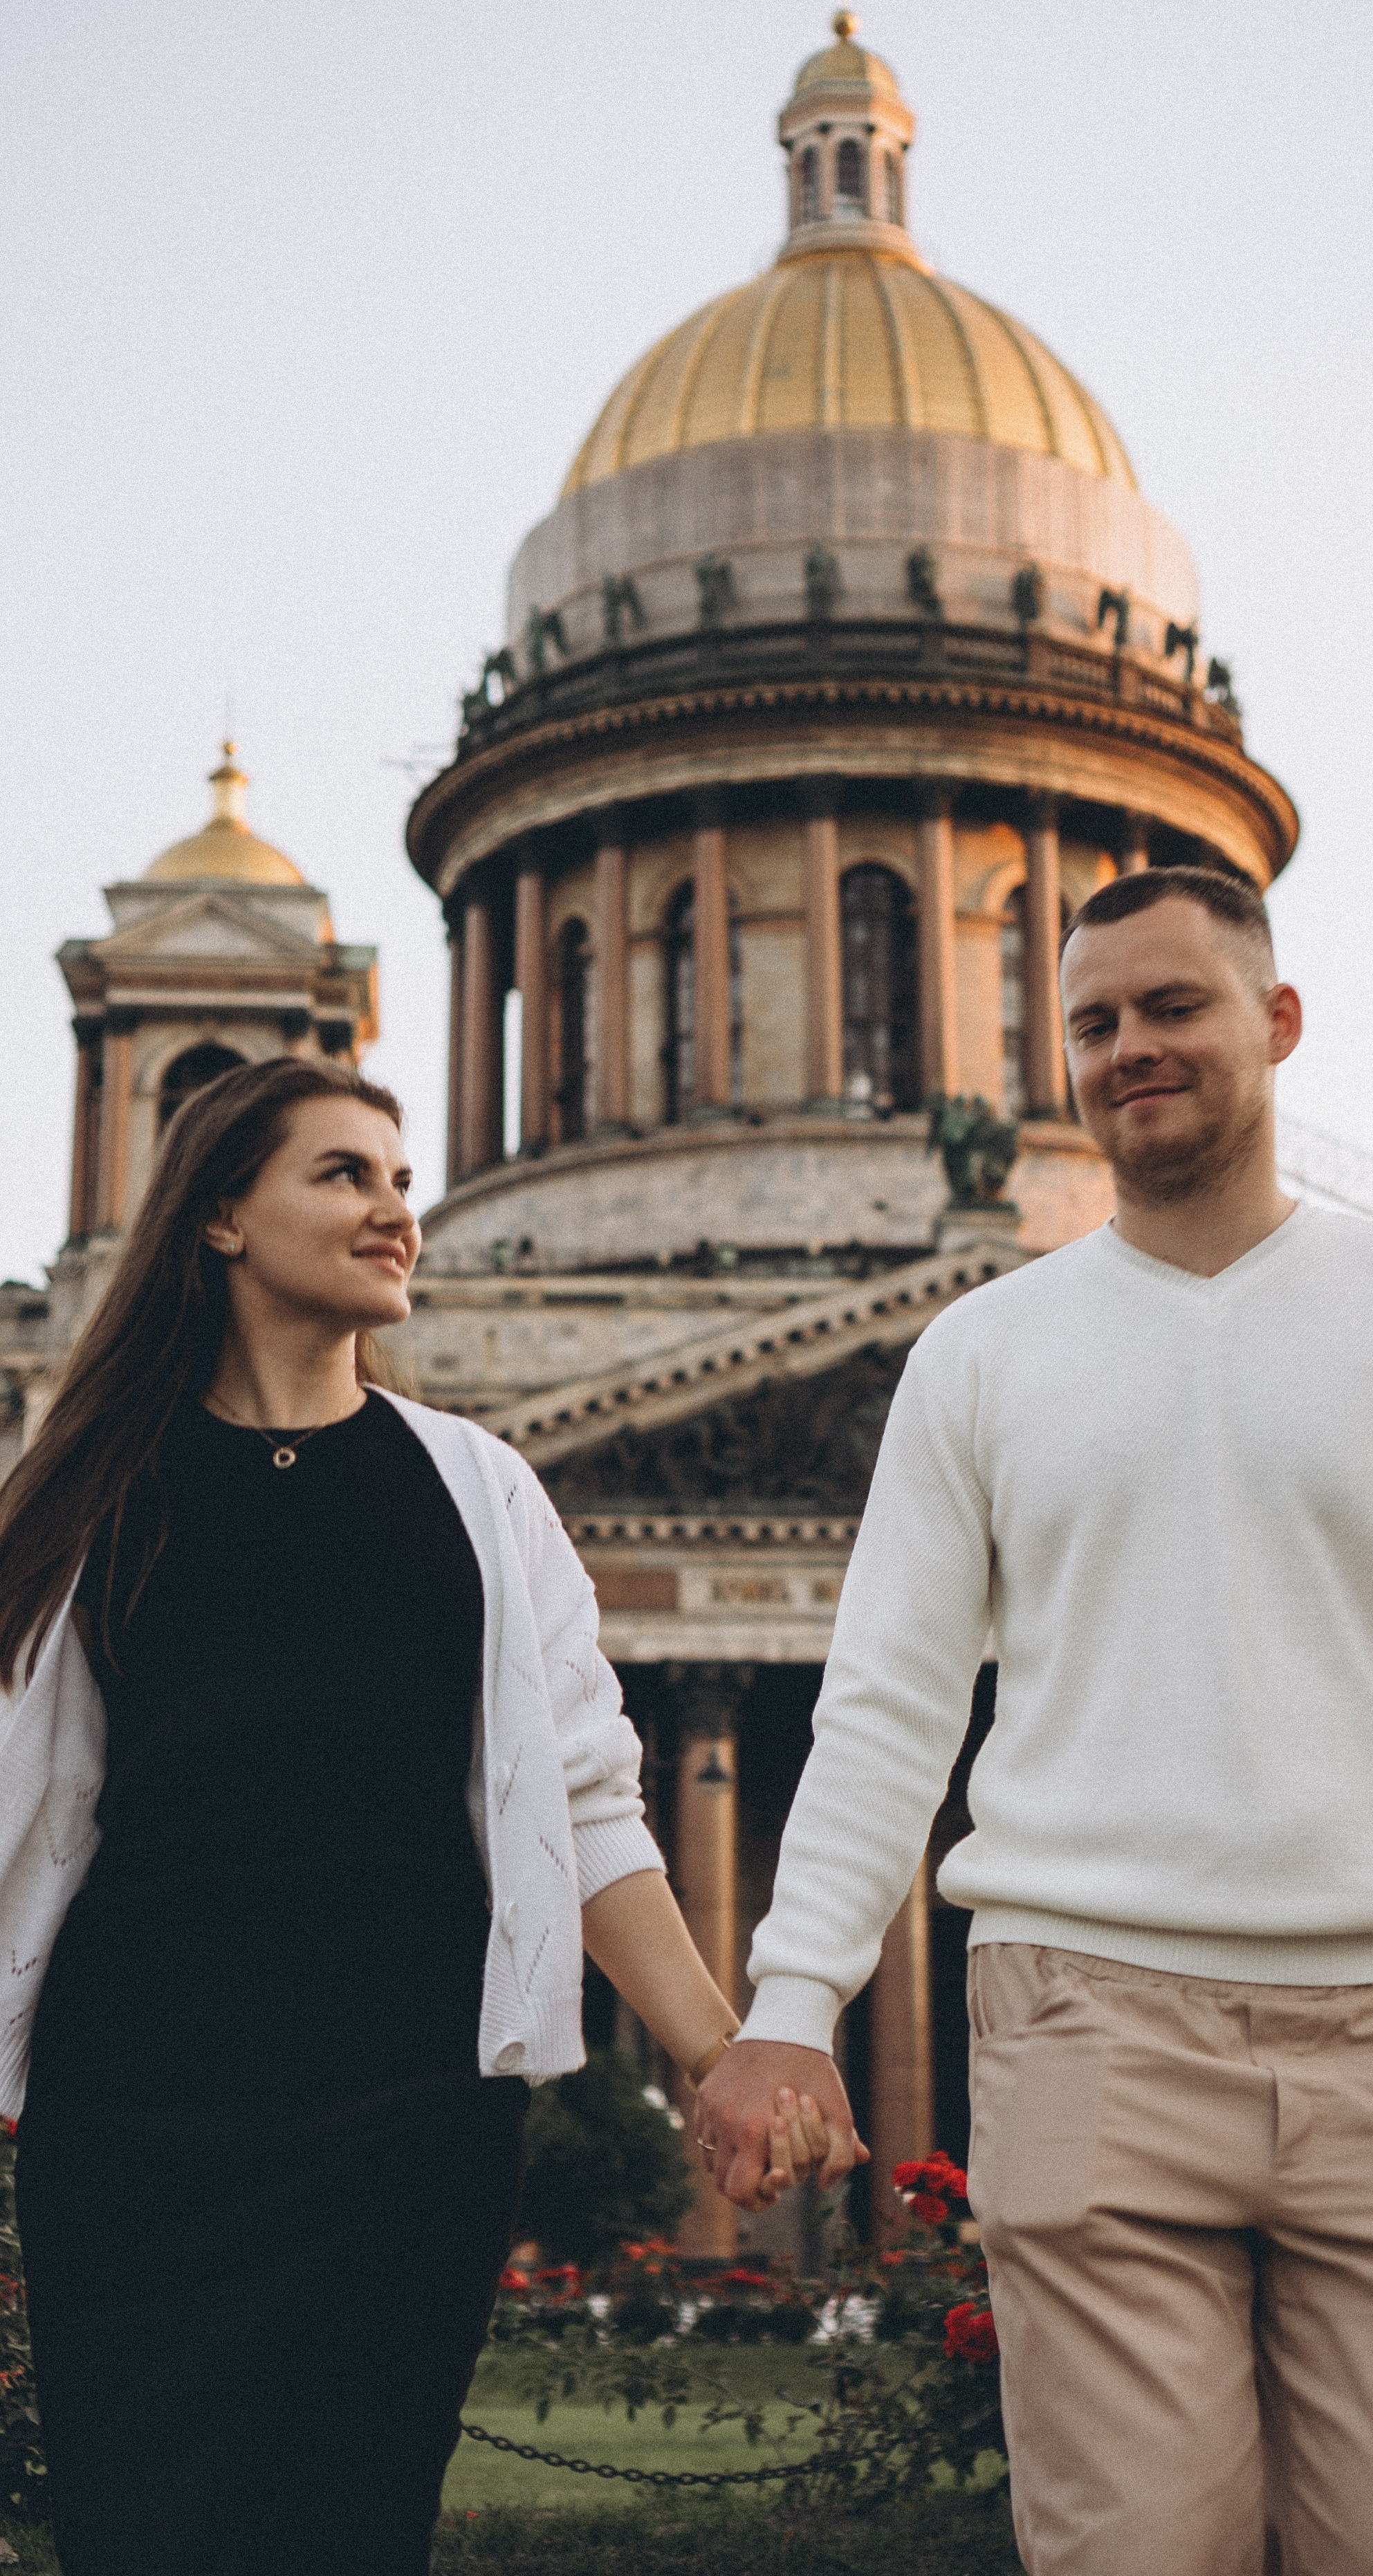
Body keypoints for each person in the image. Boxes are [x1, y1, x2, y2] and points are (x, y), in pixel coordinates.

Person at [697, 868, 1373, 2576]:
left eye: (1171, 1007)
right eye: (1090, 1022)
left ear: (1277, 1022)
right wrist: (791, 2001)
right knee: (1126, 2554)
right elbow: (885, 1710)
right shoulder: (976, 1352)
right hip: (1086, 2014)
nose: (1126, 1049)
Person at [0, 1057, 826, 2576]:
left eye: (399, 1181)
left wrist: (721, 2054)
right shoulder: (95, 1493)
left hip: (405, 2116)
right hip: (138, 2118)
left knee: (353, 2530)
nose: (395, 1213)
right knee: (141, 2534)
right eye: (344, 1176)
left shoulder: (481, 1493)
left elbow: (588, 1803)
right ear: (221, 1218)